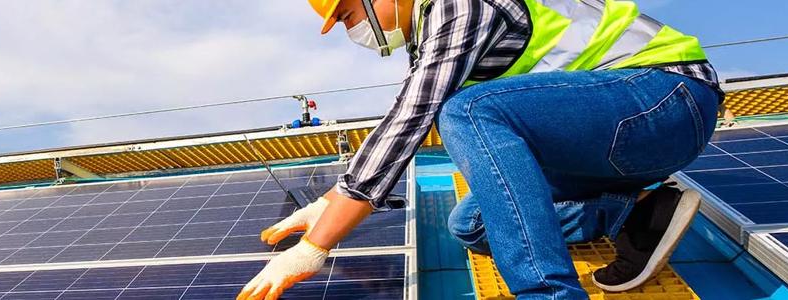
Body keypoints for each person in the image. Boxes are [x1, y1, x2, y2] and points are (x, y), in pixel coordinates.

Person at [237, 0, 721, 299]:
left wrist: (315, 246)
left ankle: (546, 294)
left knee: (466, 112)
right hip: (606, 140)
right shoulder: (431, 31)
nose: (352, 30)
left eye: (348, 15)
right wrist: (325, 205)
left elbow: (413, 116)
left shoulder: (459, 6)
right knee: (472, 224)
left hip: (664, 100)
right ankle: (633, 213)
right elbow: (404, 120)